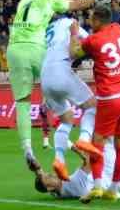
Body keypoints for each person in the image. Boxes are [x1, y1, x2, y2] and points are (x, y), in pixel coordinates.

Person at [6, 0, 95, 170]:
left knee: (24, 103)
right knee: (91, 107)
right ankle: (84, 139)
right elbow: (75, 5)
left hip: (14, 50)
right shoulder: (51, 3)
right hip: (40, 54)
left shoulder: (25, 0)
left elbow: (62, 0)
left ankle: (29, 149)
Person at [78, 5, 120, 201]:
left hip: (110, 97)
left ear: (97, 20)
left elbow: (73, 52)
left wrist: (74, 34)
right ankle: (113, 188)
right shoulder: (118, 29)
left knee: (98, 142)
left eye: (90, 19)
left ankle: (97, 185)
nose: (89, 22)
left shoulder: (93, 40)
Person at [37, 13, 104, 175]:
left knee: (66, 120)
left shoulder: (44, 30)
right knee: (93, 106)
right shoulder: (68, 22)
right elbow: (91, 42)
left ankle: (59, 159)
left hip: (44, 77)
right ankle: (84, 139)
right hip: (62, 70)